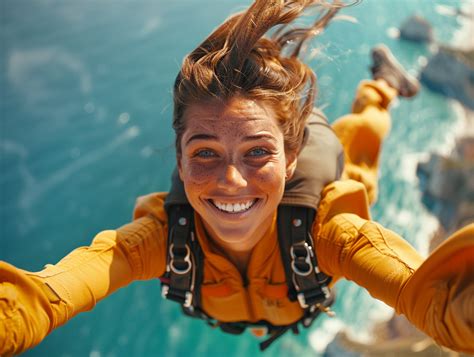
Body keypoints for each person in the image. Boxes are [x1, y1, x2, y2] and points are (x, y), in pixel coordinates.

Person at [1, 0, 473, 355]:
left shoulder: (332, 234)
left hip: (318, 192)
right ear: (180, 162)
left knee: (362, 133)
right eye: (205, 152)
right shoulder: (160, 241)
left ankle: (383, 85)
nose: (231, 179)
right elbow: (44, 298)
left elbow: (430, 297)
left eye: (257, 153)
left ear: (290, 160)